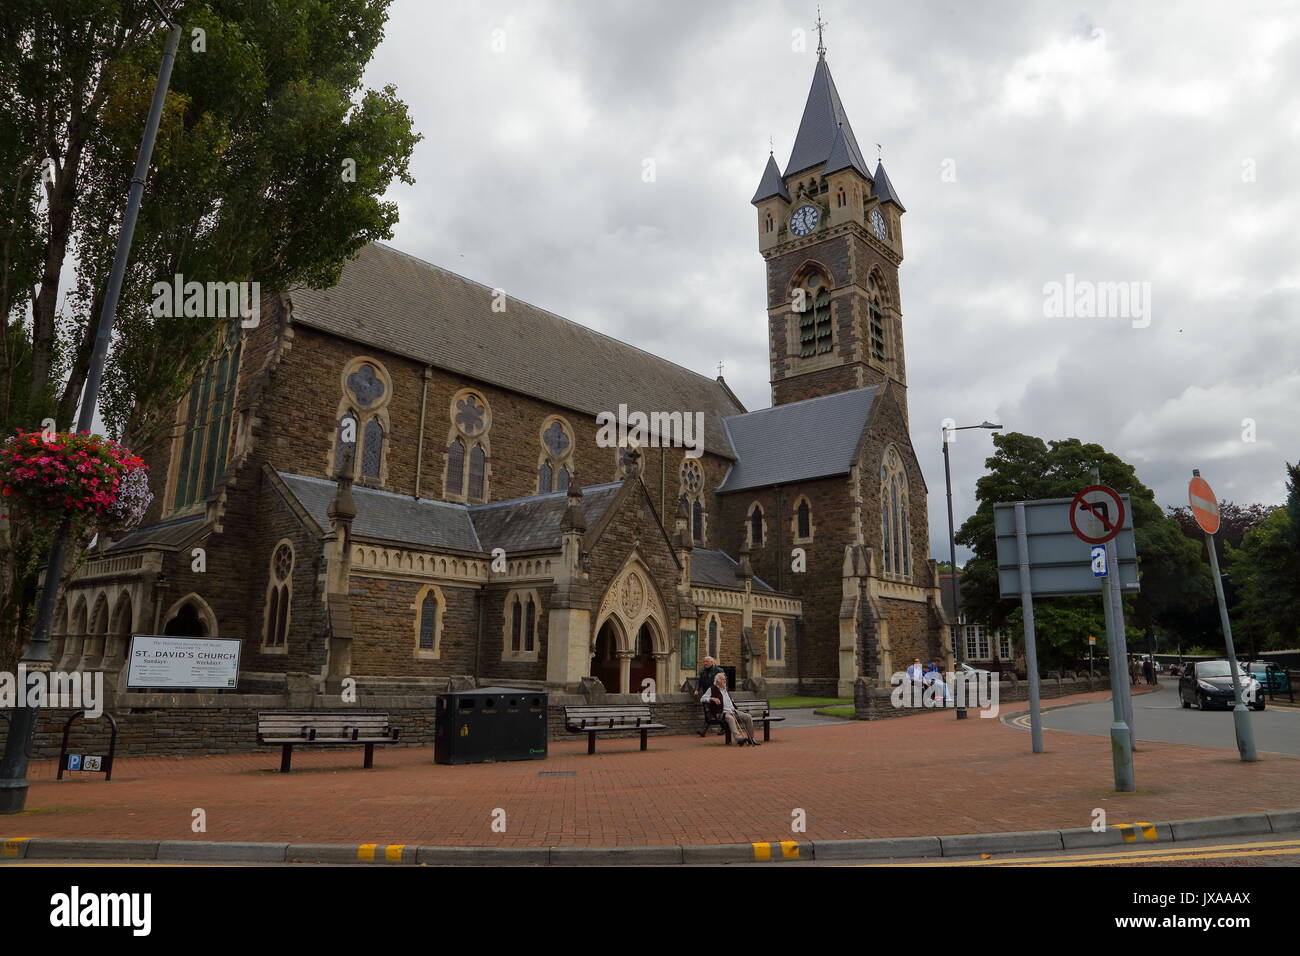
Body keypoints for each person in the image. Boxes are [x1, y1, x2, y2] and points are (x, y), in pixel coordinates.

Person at [700, 672, 759, 746]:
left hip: (733, 711)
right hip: (721, 713)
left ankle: (751, 738)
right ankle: (739, 739)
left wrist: (734, 707)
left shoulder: (725, 690)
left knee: (748, 717)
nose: (725, 681)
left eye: (725, 679)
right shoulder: (712, 689)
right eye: (723, 679)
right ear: (717, 681)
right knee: (731, 719)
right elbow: (702, 699)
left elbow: (729, 702)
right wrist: (712, 699)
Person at [696, 656, 725, 736]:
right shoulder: (703, 671)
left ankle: (704, 730)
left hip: (716, 694)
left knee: (712, 713)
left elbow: (724, 681)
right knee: (709, 713)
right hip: (707, 695)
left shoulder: (719, 670)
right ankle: (724, 727)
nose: (705, 663)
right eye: (704, 661)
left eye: (707, 661)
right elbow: (699, 682)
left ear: (712, 662)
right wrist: (697, 690)